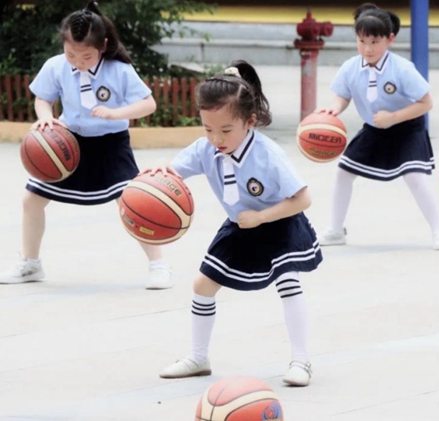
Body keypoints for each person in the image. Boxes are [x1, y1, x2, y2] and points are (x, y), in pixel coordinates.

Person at [157, 60, 323, 386]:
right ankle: (198, 357)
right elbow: (172, 172)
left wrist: (262, 216)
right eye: (207, 129)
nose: (216, 138)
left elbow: (302, 199)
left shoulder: (268, 154)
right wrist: (151, 181)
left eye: (225, 130)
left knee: (288, 283)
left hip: (280, 222)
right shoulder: (206, 149)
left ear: (249, 121)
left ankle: (301, 362)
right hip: (239, 225)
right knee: (203, 286)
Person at [0, 1, 171, 289]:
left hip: (111, 145)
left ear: (103, 46)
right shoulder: (56, 66)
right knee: (32, 200)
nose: (78, 61)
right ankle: (31, 264)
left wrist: (116, 113)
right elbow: (43, 98)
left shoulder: (120, 70)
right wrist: (46, 120)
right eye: (71, 54)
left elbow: (148, 104)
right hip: (68, 145)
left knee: (133, 204)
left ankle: (159, 266)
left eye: (87, 56)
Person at [317, 3, 439, 249]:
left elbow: (426, 103)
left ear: (390, 39)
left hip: (408, 128)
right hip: (375, 130)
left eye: (374, 42)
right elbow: (342, 95)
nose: (367, 49)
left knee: (415, 177)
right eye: (361, 41)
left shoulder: (402, 68)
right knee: (343, 171)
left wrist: (395, 117)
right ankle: (335, 230)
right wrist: (335, 108)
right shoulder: (350, 67)